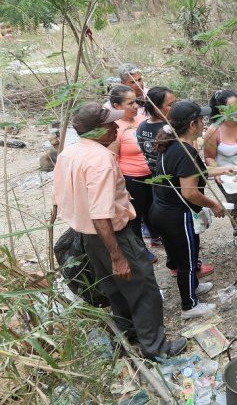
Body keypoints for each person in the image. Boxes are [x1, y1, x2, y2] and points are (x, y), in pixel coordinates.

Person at [52, 102, 186, 359]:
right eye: (109, 124)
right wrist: (118, 256)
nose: (116, 127)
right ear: (96, 131)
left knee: (116, 289)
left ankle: (128, 337)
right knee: (143, 288)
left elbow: (59, 199)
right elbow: (101, 214)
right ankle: (155, 347)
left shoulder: (68, 154)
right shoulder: (101, 160)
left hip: (88, 237)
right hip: (113, 236)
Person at [149, 100, 237, 320]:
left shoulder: (173, 143)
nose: (204, 124)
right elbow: (189, 192)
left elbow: (191, 172)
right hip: (177, 215)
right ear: (192, 124)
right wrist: (214, 205)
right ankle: (189, 305)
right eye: (201, 120)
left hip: (161, 211)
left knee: (184, 255)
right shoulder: (184, 151)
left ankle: (193, 287)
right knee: (187, 261)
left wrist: (219, 169)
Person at [108, 85, 158, 262]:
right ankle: (140, 249)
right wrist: (121, 187)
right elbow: (112, 161)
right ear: (116, 106)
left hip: (153, 174)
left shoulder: (141, 120)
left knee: (154, 210)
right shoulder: (114, 129)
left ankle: (157, 237)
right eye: (130, 103)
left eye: (136, 101)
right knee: (136, 216)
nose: (136, 106)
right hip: (132, 179)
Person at [203, 89, 237, 216]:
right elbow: (209, 157)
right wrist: (217, 172)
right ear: (221, 110)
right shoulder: (213, 131)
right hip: (229, 177)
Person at [136, 86, 176, 176]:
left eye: (175, 103)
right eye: (170, 105)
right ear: (156, 108)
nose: (175, 107)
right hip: (174, 179)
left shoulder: (141, 126)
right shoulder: (170, 129)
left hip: (156, 177)